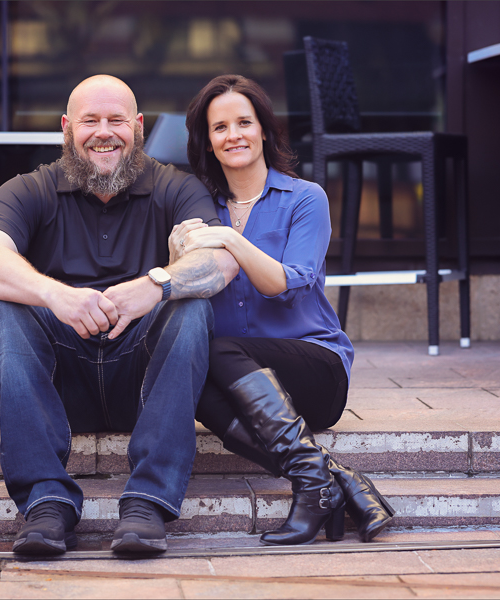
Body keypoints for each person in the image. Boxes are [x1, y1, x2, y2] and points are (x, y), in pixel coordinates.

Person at [0, 75, 238, 555]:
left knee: (190, 307)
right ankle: (45, 502)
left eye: (116, 120)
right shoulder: (27, 188)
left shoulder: (177, 187)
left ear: (137, 127)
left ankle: (148, 502)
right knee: (5, 306)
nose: (103, 132)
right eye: (90, 120)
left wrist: (155, 286)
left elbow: (221, 260)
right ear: (67, 129)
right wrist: (57, 297)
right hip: (58, 387)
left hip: (142, 383)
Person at [171, 74, 394, 546]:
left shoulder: (305, 198)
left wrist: (231, 237)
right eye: (220, 128)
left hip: (315, 370)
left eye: (244, 122)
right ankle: (327, 479)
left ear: (265, 131)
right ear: (208, 142)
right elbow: (186, 291)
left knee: (215, 350)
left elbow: (284, 285)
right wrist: (176, 258)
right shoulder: (201, 208)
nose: (234, 135)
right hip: (238, 376)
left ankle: (321, 483)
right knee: (192, 370)